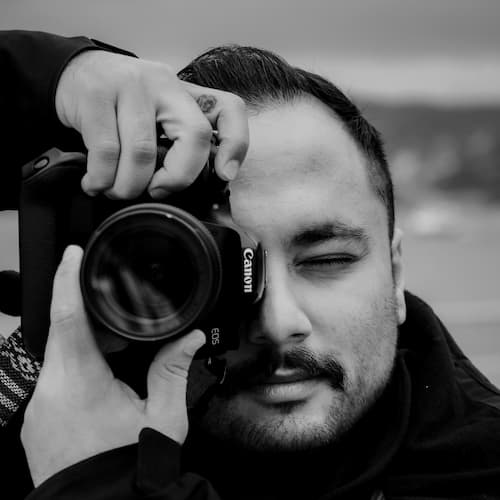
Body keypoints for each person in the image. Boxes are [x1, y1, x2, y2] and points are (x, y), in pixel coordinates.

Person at [1, 30, 500, 500]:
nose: (278, 323)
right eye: (219, 264)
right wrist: (53, 78)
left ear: (395, 275)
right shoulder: (27, 409)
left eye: (327, 260)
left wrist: (102, 485)